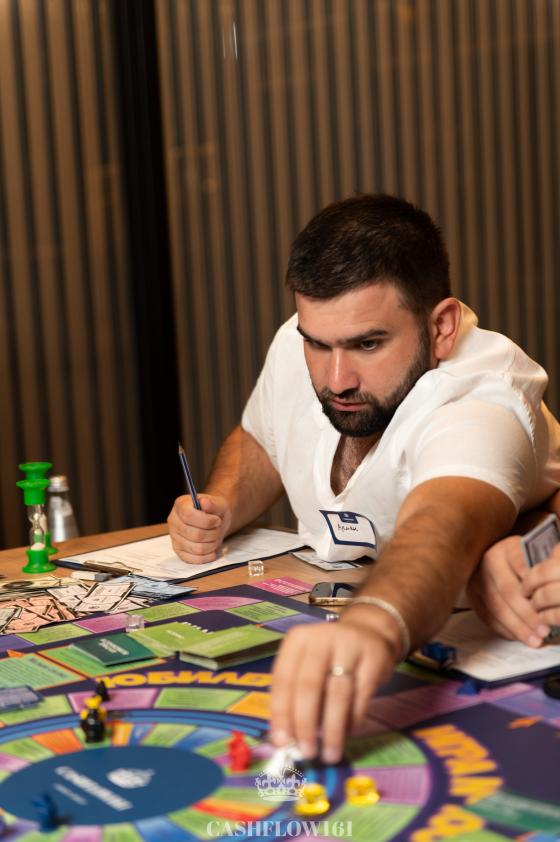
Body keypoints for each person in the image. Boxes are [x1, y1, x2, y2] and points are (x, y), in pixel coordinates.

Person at [168, 194, 560, 763]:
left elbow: (442, 524)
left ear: (442, 327)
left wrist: (374, 624)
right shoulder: (306, 338)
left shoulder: (480, 399)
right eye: (316, 343)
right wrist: (225, 500)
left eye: (368, 344)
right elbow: (262, 437)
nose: (337, 379)